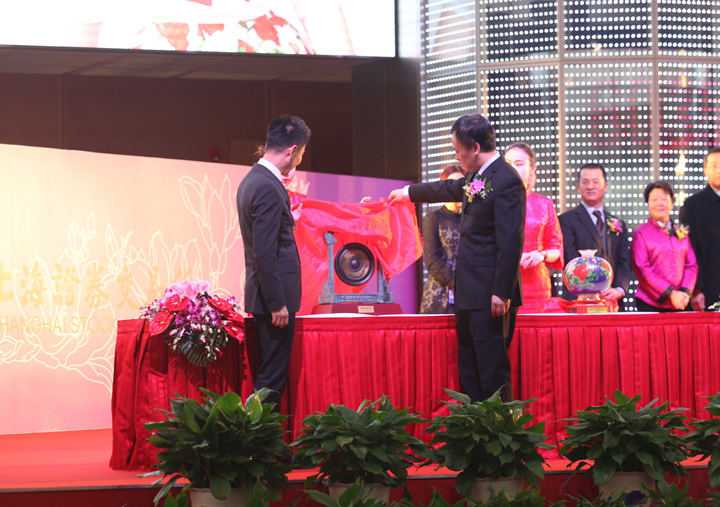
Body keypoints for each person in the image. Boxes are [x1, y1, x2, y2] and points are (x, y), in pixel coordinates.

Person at [389, 114, 526, 403]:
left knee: (491, 371)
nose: (457, 157)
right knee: (470, 367)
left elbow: (511, 242)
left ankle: (499, 427)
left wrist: (502, 291)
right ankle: (473, 426)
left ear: (475, 148)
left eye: (457, 150)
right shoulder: (478, 176)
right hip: (469, 292)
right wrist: (406, 193)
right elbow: (448, 188)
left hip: (491, 294)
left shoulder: (506, 180)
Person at [236, 115, 310, 405]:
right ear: (292, 150)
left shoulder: (254, 180)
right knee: (271, 379)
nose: (300, 160)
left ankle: (262, 433)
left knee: (271, 376)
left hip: (267, 297)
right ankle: (259, 434)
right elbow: (264, 252)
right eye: (301, 154)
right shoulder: (266, 185)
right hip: (273, 302)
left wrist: (287, 221)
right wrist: (277, 303)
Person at [558, 163, 631, 309]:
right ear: (578, 187)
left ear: (605, 186)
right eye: (585, 182)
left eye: (596, 182)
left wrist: (619, 289)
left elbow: (625, 261)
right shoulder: (565, 220)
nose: (590, 186)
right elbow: (570, 258)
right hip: (579, 299)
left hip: (612, 300)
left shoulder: (618, 223)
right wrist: (593, 290)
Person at [504, 143, 563, 314]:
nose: (512, 169)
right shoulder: (492, 202)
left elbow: (557, 249)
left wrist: (541, 255)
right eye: (508, 164)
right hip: (502, 284)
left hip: (537, 286)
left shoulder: (544, 204)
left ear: (532, 169)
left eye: (519, 164)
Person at [631, 181, 697, 312]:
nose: (659, 203)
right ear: (648, 203)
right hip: (650, 304)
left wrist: (685, 293)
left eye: (664, 199)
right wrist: (670, 293)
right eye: (654, 199)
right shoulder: (641, 233)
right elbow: (643, 269)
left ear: (672, 203)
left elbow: (691, 265)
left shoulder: (681, 231)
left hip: (680, 302)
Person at [419, 165, 465, 314]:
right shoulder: (434, 217)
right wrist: (455, 283)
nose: (458, 188)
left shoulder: (471, 218)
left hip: (468, 292)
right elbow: (432, 260)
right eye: (453, 184)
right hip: (440, 293)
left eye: (461, 184)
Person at [679, 147, 720, 310]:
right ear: (705, 170)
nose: (718, 170)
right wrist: (696, 289)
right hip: (707, 289)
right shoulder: (693, 205)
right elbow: (688, 251)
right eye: (714, 165)